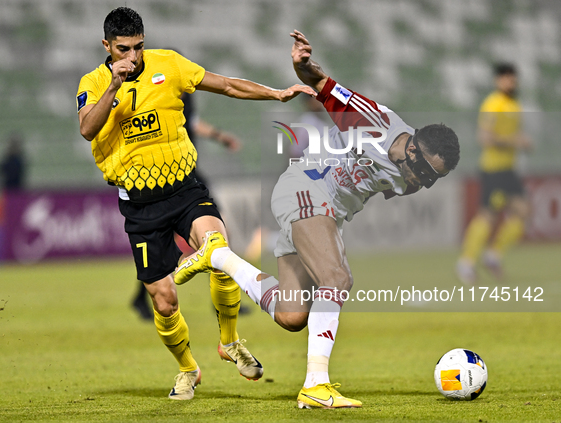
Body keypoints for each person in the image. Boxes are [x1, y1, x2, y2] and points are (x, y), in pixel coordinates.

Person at [175, 30, 460, 409]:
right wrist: (304, 66)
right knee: (338, 278)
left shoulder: (410, 178)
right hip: (306, 189)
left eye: (433, 179)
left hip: (328, 210)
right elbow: (324, 85)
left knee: (292, 315)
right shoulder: (373, 121)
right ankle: (316, 384)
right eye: (424, 170)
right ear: (411, 147)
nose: (424, 182)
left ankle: (218, 257)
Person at [76, 7, 315, 401]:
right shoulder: (94, 82)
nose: (132, 58)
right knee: (165, 301)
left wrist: (275, 93)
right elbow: (88, 128)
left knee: (218, 250)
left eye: (137, 48)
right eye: (122, 50)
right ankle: (188, 369)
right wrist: (114, 87)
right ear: (106, 45)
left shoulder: (168, 64)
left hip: (184, 190)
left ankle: (230, 341)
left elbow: (225, 86)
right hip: (139, 206)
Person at [131, 90, 242, 322]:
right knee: (165, 242)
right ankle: (144, 297)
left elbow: (192, 122)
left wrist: (219, 136)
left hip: (188, 174)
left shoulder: (181, 99)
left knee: (217, 233)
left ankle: (222, 299)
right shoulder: (157, 99)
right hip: (169, 176)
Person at [456, 63, 532, 284]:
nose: (511, 82)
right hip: (493, 168)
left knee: (523, 211)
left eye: (513, 78)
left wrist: (521, 142)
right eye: (507, 78)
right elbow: (485, 138)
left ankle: (493, 256)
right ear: (498, 80)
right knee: (487, 216)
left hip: (508, 169)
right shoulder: (493, 103)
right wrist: (515, 141)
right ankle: (466, 263)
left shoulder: (514, 104)